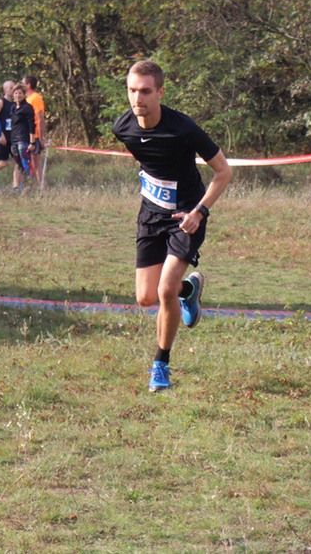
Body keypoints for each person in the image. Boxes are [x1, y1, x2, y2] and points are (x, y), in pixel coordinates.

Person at [112, 60, 232, 393]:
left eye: (146, 91)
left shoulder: (184, 129)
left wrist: (200, 212)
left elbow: (224, 172)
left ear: (160, 92)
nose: (138, 98)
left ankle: (160, 365)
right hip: (151, 215)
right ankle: (188, 291)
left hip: (187, 216)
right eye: (132, 90)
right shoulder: (123, 127)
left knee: (165, 290)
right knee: (145, 297)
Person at [8, 83, 36, 187]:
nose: (18, 95)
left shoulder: (27, 108)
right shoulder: (13, 108)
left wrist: (32, 142)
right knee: (19, 165)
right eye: (16, 93)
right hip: (14, 140)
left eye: (20, 93)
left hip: (23, 140)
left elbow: (32, 125)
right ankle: (21, 186)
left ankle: (29, 186)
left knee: (25, 164)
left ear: (24, 94)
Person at [23, 75, 47, 189]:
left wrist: (41, 138)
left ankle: (42, 187)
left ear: (28, 85)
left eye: (23, 83)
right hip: (26, 134)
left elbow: (40, 118)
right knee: (30, 162)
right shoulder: (26, 99)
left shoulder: (35, 98)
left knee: (36, 162)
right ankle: (32, 186)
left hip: (35, 135)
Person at [0, 80, 17, 179]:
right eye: (11, 88)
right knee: (3, 163)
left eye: (14, 87)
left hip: (13, 136)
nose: (13, 90)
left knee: (19, 161)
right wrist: (0, 134)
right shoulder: (1, 102)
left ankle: (18, 183)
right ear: (5, 90)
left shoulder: (15, 103)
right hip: (3, 137)